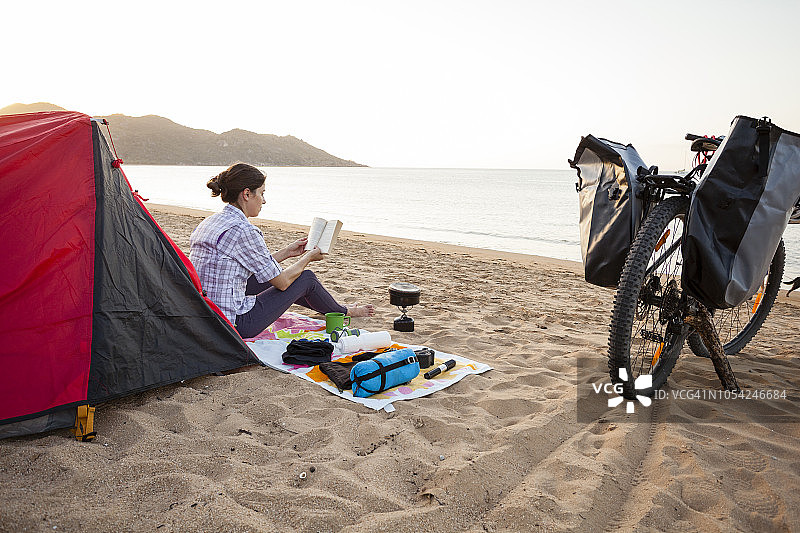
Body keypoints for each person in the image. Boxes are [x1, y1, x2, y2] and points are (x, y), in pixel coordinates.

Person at [189, 163, 374, 338]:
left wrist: (287, 252)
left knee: (269, 277)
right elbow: (283, 282)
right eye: (262, 193)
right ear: (246, 194)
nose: (264, 200)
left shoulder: (211, 222)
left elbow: (255, 265)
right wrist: (308, 257)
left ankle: (336, 308)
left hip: (205, 313)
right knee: (306, 278)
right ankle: (344, 311)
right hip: (234, 322)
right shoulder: (244, 230)